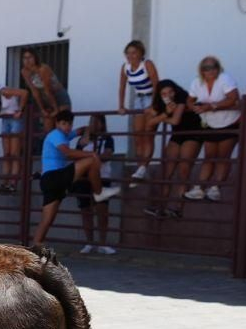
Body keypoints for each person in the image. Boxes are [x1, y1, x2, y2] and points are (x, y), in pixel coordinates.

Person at [33, 110, 119, 250]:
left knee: (47, 220)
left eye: (69, 124)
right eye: (63, 123)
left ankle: (35, 249)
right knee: (91, 159)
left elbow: (81, 130)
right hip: (56, 177)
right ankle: (99, 192)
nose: (67, 126)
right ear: (57, 123)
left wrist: (86, 132)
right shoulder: (56, 135)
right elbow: (68, 152)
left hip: (50, 181)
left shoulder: (65, 134)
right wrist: (91, 152)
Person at [143, 80, 205, 220]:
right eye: (164, 93)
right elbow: (149, 122)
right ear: (160, 95)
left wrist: (161, 116)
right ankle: (161, 208)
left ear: (175, 90)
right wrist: (164, 113)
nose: (168, 95)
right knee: (165, 172)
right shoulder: (161, 104)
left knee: (183, 171)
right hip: (177, 135)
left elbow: (175, 120)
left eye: (170, 91)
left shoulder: (182, 97)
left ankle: (178, 209)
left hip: (192, 133)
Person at [187, 55, 240, 201]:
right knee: (209, 156)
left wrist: (212, 106)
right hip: (210, 123)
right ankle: (200, 188)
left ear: (218, 68)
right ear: (201, 70)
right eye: (206, 68)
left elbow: (233, 98)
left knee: (223, 156)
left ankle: (215, 188)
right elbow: (189, 100)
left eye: (212, 67)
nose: (209, 71)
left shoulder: (225, 78)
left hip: (230, 121)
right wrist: (194, 107)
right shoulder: (196, 82)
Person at [71, 114, 117, 256]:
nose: (93, 125)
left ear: (103, 124)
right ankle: (89, 243)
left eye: (97, 122)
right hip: (83, 179)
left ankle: (103, 243)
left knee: (102, 211)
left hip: (102, 177)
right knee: (86, 211)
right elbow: (76, 155)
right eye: (91, 122)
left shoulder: (108, 138)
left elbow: (107, 155)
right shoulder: (83, 140)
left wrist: (89, 158)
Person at [117, 41, 160, 181]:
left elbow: (157, 85)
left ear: (141, 53)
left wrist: (153, 105)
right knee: (137, 135)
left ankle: (143, 167)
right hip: (138, 99)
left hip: (151, 98)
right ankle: (140, 167)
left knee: (148, 134)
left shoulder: (147, 64)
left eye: (134, 52)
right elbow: (122, 87)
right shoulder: (125, 67)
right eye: (128, 53)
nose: (130, 56)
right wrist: (121, 106)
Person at [19, 48, 71, 123]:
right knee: (48, 125)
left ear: (35, 57)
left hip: (58, 96)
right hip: (45, 98)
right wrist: (42, 109)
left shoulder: (43, 69)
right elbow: (34, 91)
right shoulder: (24, 71)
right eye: (25, 58)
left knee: (62, 123)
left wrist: (56, 109)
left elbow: (48, 90)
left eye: (30, 57)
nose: (27, 60)